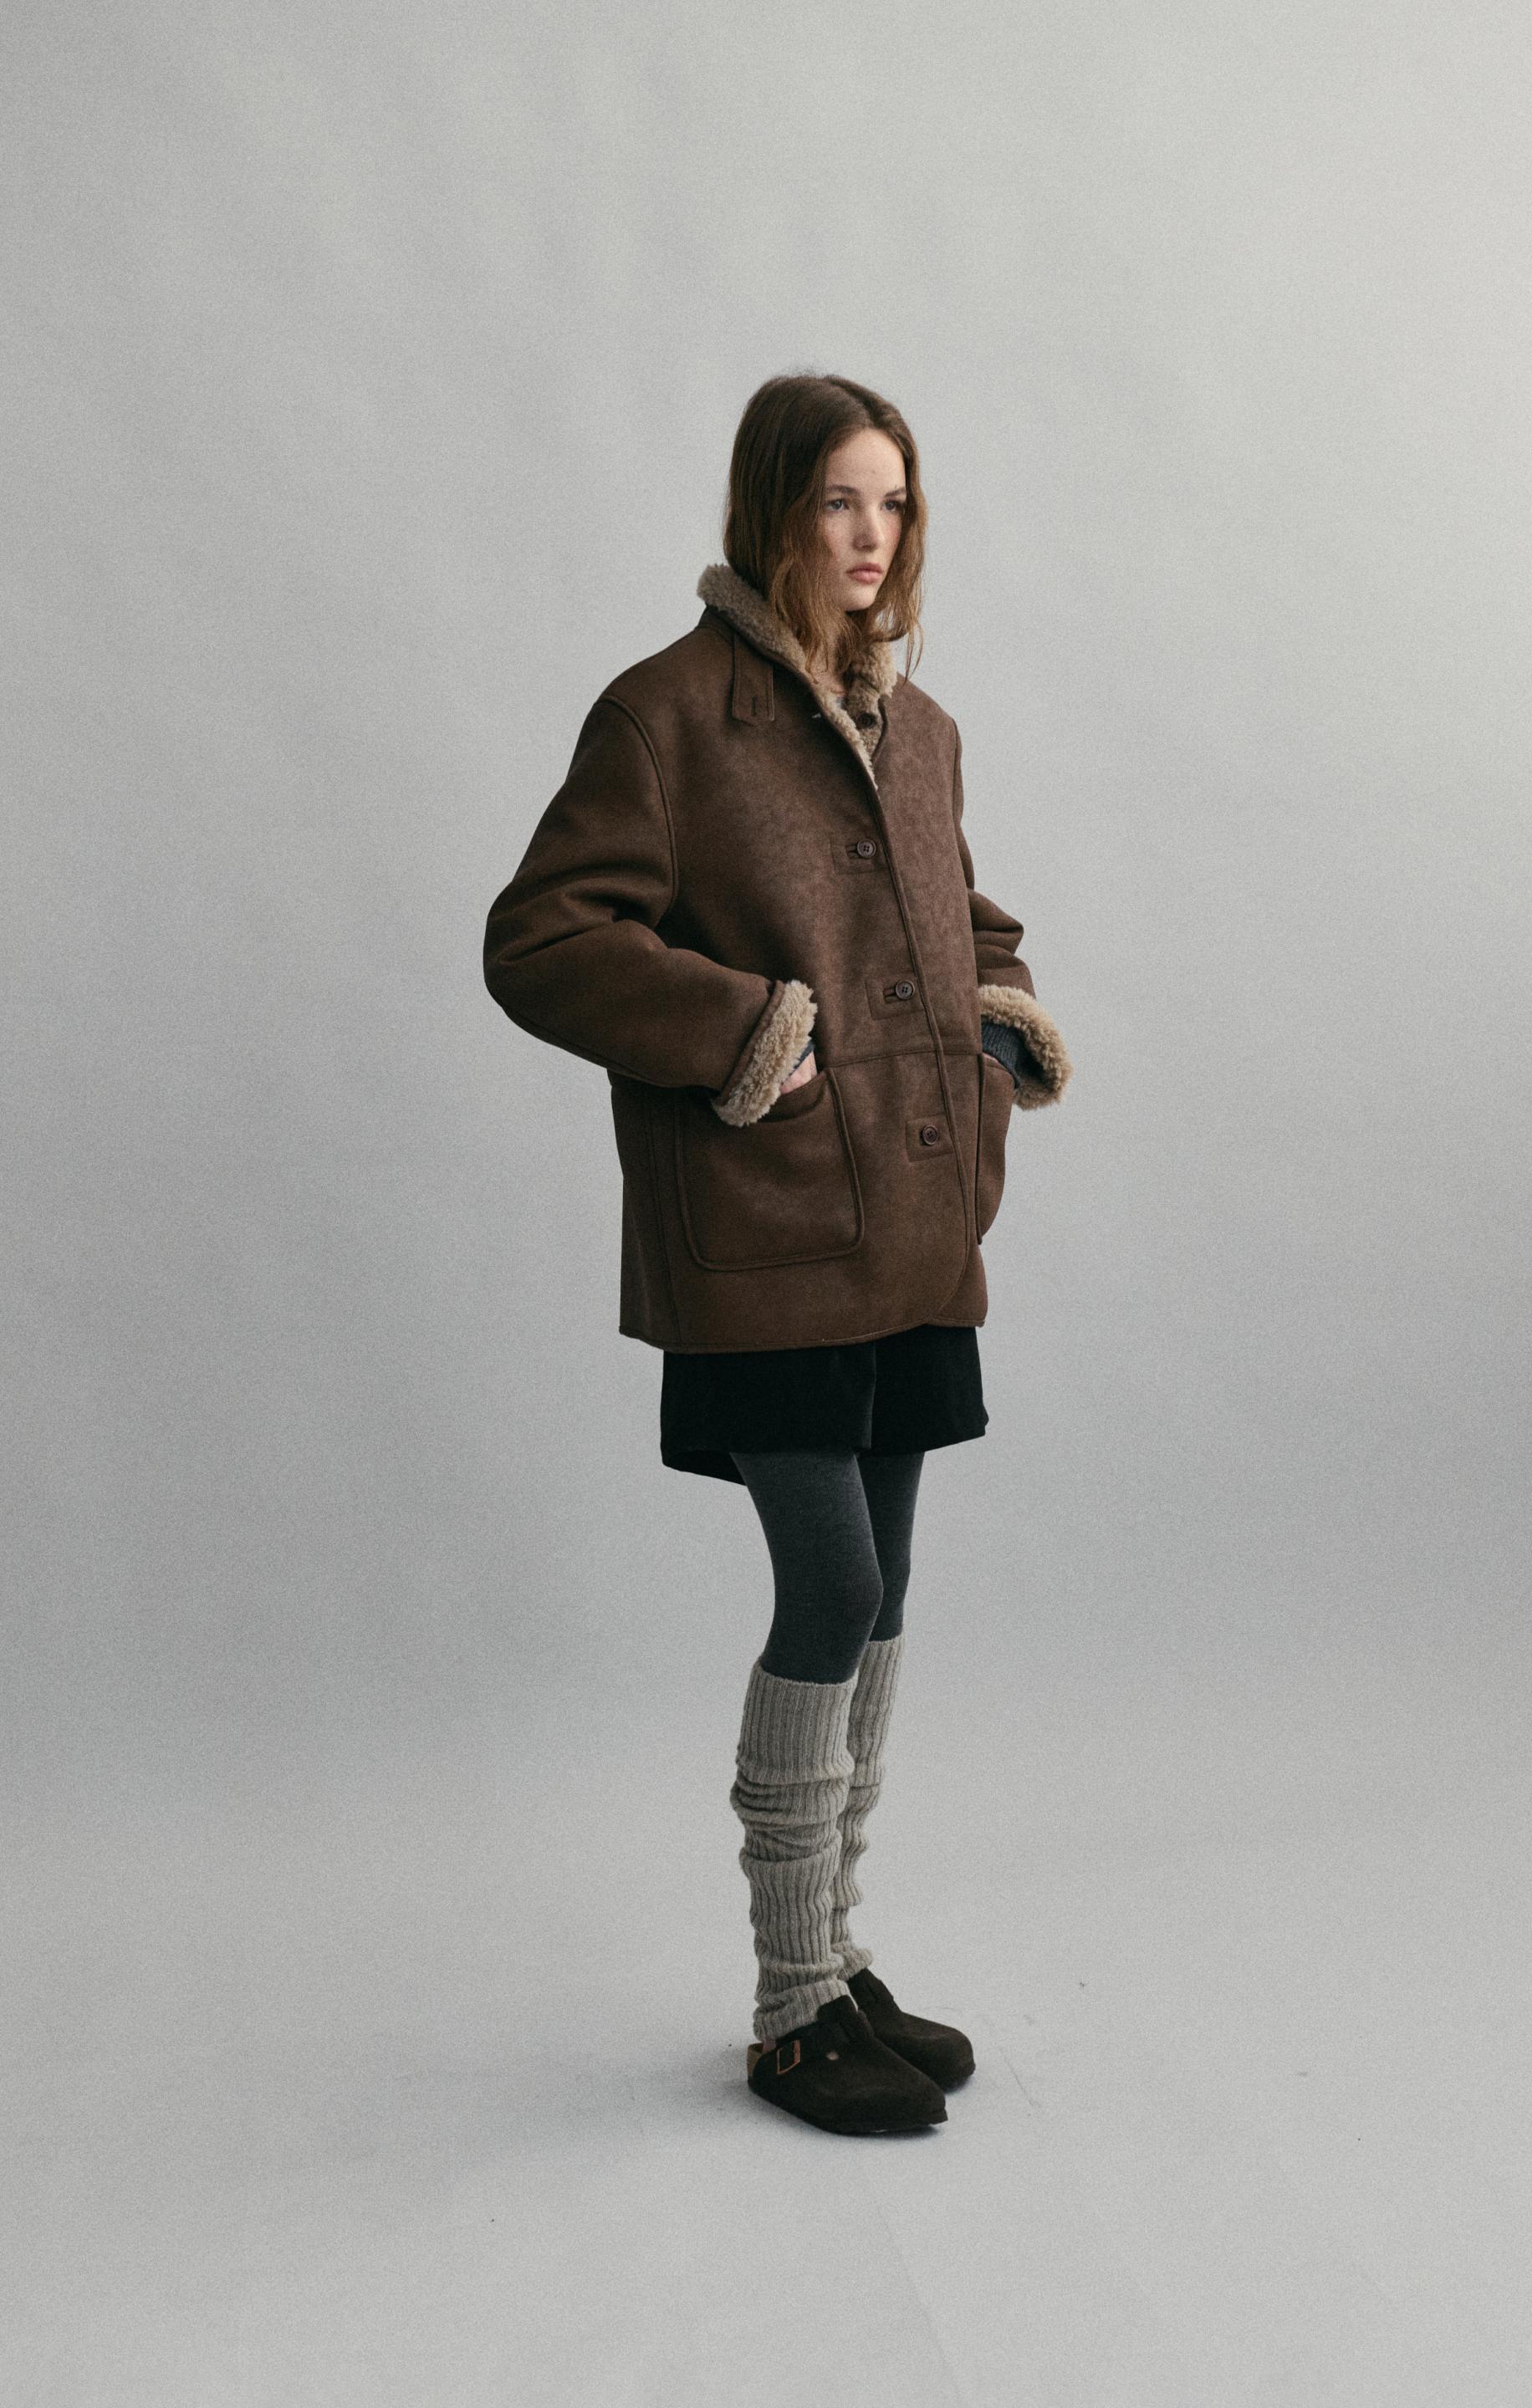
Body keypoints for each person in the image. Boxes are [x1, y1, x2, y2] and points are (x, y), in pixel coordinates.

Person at [483, 372, 1071, 2136]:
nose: (871, 535)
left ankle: (838, 1958)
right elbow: (543, 939)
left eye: (895, 502)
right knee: (826, 1591)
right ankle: (789, 2005)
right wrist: (753, 1030)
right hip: (765, 1234)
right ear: (771, 511)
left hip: (913, 1224)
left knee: (882, 1598)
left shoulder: (922, 726)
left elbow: (961, 909)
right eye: (838, 501)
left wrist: (999, 1017)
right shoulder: (668, 716)